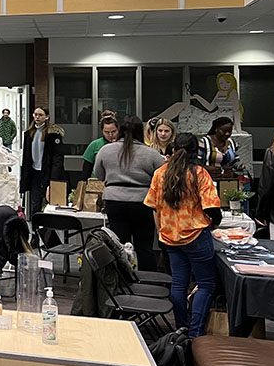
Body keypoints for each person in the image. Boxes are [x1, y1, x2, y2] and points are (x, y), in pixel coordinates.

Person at [144, 133, 220, 337]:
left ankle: (181, 327)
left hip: (169, 236)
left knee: (179, 283)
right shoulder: (199, 173)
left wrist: (160, 231)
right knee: (205, 284)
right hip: (196, 234)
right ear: (196, 151)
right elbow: (212, 207)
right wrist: (215, 223)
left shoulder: (161, 173)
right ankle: (195, 333)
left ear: (173, 148)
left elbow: (153, 206)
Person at [93, 115, 165, 272]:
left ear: (120, 131)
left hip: (114, 201)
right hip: (142, 202)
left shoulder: (105, 150)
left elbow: (98, 175)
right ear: (141, 131)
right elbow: (162, 177)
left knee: (118, 245)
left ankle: (121, 281)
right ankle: (149, 282)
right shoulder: (151, 153)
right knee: (144, 247)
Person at [19, 107, 66, 217]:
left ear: (46, 117)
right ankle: (35, 228)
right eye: (35, 114)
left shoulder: (53, 134)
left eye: (40, 115)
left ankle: (47, 229)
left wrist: (54, 178)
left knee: (50, 201)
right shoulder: (29, 134)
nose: (37, 117)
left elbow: (57, 158)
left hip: (48, 172)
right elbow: (26, 157)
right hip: (34, 173)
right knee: (35, 202)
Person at [81, 114, 120, 180]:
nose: (110, 135)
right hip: (97, 183)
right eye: (107, 132)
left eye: (113, 131)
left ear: (118, 130)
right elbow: (86, 171)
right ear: (102, 131)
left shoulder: (122, 145)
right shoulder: (95, 145)